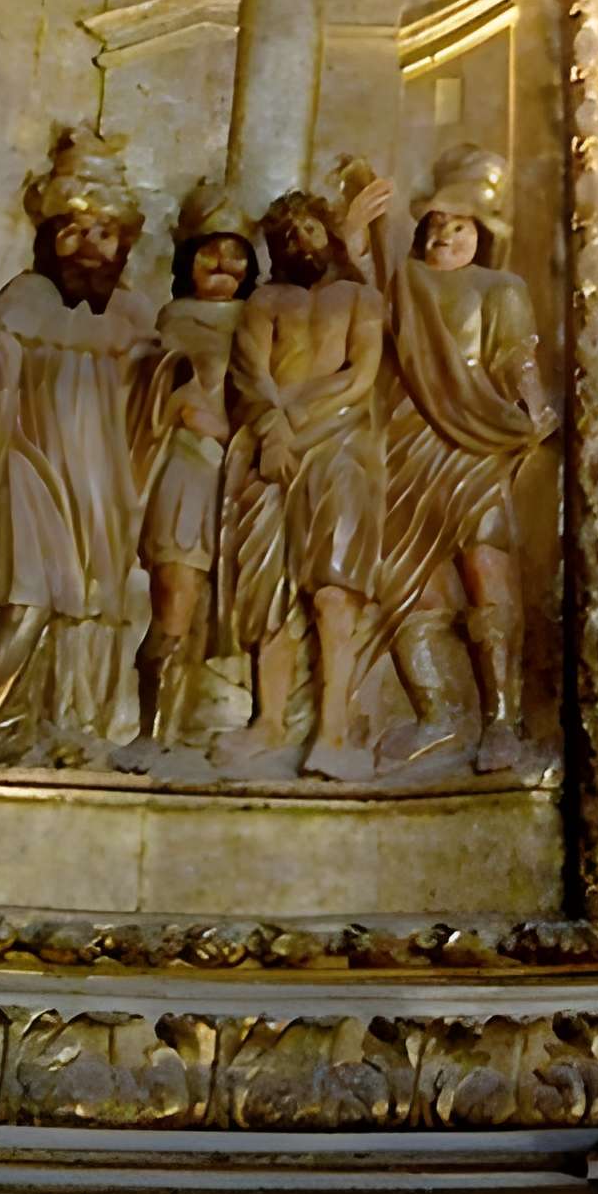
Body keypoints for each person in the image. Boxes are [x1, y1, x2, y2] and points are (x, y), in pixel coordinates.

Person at [0, 130, 156, 763]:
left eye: (104, 234)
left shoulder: (134, 315)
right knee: (26, 589)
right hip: (30, 464)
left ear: (123, 245)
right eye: (73, 232)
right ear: (49, 239)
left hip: (103, 481)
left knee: (88, 600)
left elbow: (155, 393)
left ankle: (70, 727)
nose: (88, 246)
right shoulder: (24, 300)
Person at [366, 148, 556, 774]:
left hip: (474, 439)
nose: (447, 236)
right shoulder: (403, 283)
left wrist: (533, 404)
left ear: (485, 235)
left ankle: (500, 718)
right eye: (438, 225)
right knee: (408, 583)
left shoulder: (501, 289)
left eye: (462, 226)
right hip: (407, 438)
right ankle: (437, 713)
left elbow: (513, 357)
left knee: (486, 570)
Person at [221, 186, 390, 778]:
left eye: (310, 230)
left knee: (333, 589)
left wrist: (291, 421)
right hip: (274, 451)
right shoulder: (266, 301)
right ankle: (268, 721)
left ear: (331, 234)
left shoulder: (359, 297)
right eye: (286, 236)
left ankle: (334, 731)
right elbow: (249, 373)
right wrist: (270, 426)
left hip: (339, 446)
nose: (300, 243)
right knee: (265, 584)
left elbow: (359, 376)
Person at [133, 187, 255, 750]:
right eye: (211, 253)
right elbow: (166, 390)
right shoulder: (176, 318)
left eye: (237, 255)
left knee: (235, 607)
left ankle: (221, 726)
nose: (224, 267)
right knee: (174, 598)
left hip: (243, 476)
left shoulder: (262, 317)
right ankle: (151, 730)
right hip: (190, 470)